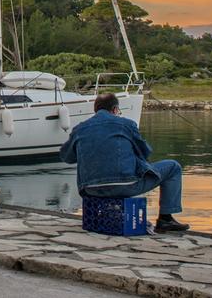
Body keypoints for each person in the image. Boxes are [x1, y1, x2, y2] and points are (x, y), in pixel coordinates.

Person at [59, 92, 189, 233]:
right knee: (173, 167)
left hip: (89, 189)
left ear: (95, 110)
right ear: (115, 109)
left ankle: (108, 214)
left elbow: (67, 157)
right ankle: (165, 219)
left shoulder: (80, 129)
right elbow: (145, 152)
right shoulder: (126, 124)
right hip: (124, 186)